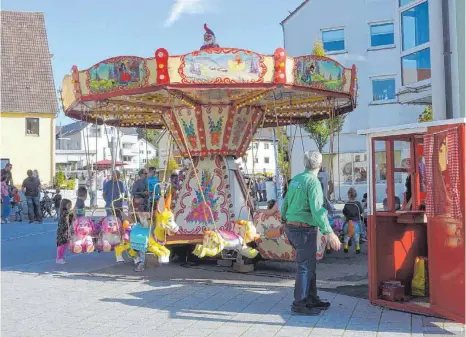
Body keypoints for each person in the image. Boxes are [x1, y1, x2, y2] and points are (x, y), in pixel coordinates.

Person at [280, 151, 341, 315]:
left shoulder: (296, 180)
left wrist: (283, 220)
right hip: (304, 229)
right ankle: (299, 304)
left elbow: (285, 203)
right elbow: (317, 210)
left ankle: (311, 299)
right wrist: (329, 232)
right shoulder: (313, 182)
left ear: (304, 163)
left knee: (309, 265)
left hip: (292, 227)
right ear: (320, 165)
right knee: (305, 267)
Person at [56, 199, 73, 264]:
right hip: (62, 232)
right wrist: (74, 212)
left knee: (64, 245)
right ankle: (58, 258)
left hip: (64, 231)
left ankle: (61, 257)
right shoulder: (64, 212)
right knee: (61, 245)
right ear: (64, 205)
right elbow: (69, 217)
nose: (70, 206)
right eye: (69, 204)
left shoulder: (65, 212)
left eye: (70, 204)